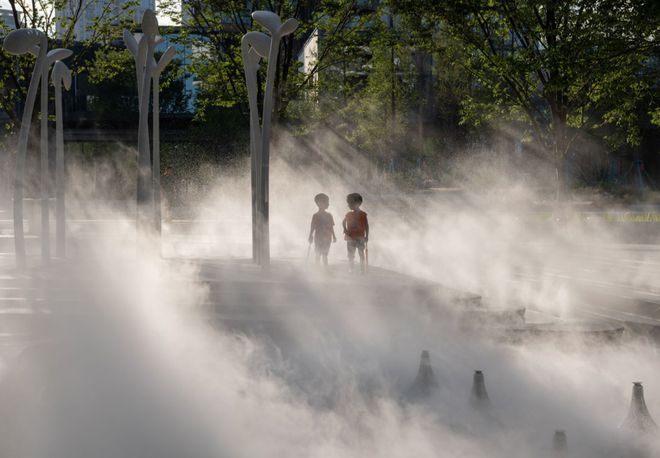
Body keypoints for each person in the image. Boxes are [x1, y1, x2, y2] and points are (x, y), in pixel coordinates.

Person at [342, 193, 369, 273]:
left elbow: (366, 225)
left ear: (358, 203)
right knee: (351, 255)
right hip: (350, 237)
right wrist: (345, 229)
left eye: (351, 203)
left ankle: (362, 269)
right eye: (348, 203)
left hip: (360, 237)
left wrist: (367, 236)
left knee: (361, 254)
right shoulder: (348, 214)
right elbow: (343, 222)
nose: (349, 205)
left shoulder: (363, 214)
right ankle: (351, 269)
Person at [308, 193, 337, 266]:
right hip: (319, 237)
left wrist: (334, 236)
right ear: (319, 203)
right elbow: (312, 226)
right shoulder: (315, 216)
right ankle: (318, 268)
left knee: (324, 254)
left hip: (327, 237)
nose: (328, 204)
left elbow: (331, 227)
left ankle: (325, 268)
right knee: (318, 254)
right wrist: (310, 235)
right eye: (326, 202)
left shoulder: (329, 215)